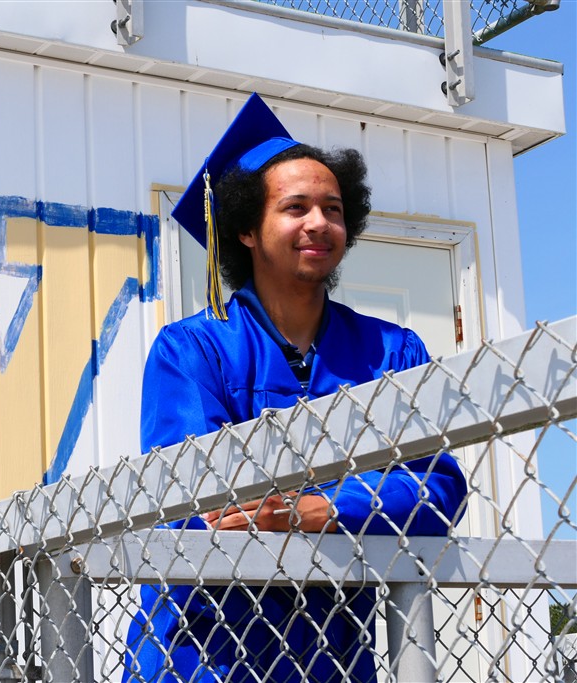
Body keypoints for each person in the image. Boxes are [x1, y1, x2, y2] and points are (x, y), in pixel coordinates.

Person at [123, 94, 468, 682]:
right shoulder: (193, 351)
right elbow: (202, 509)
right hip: (204, 653)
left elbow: (436, 489)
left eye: (333, 209)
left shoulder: (392, 352)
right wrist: (368, 501)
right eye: (295, 207)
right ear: (246, 230)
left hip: (335, 653)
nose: (319, 223)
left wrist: (323, 510)